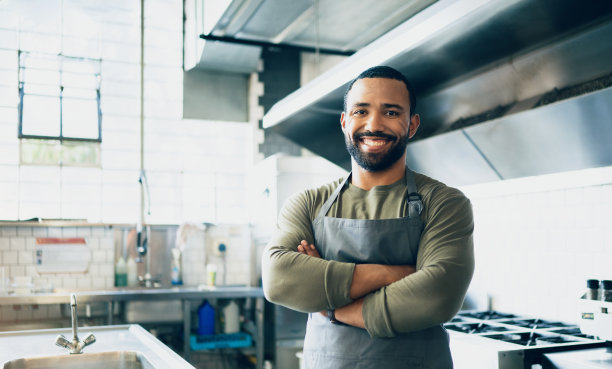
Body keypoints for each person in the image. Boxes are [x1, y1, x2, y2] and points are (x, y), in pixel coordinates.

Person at [261, 65, 474, 368]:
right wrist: (394, 274)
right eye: (361, 111)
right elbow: (278, 278)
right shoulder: (308, 204)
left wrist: (332, 305)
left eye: (390, 113)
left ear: (411, 125)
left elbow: (439, 294)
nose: (373, 124)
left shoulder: (444, 202)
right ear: (345, 122)